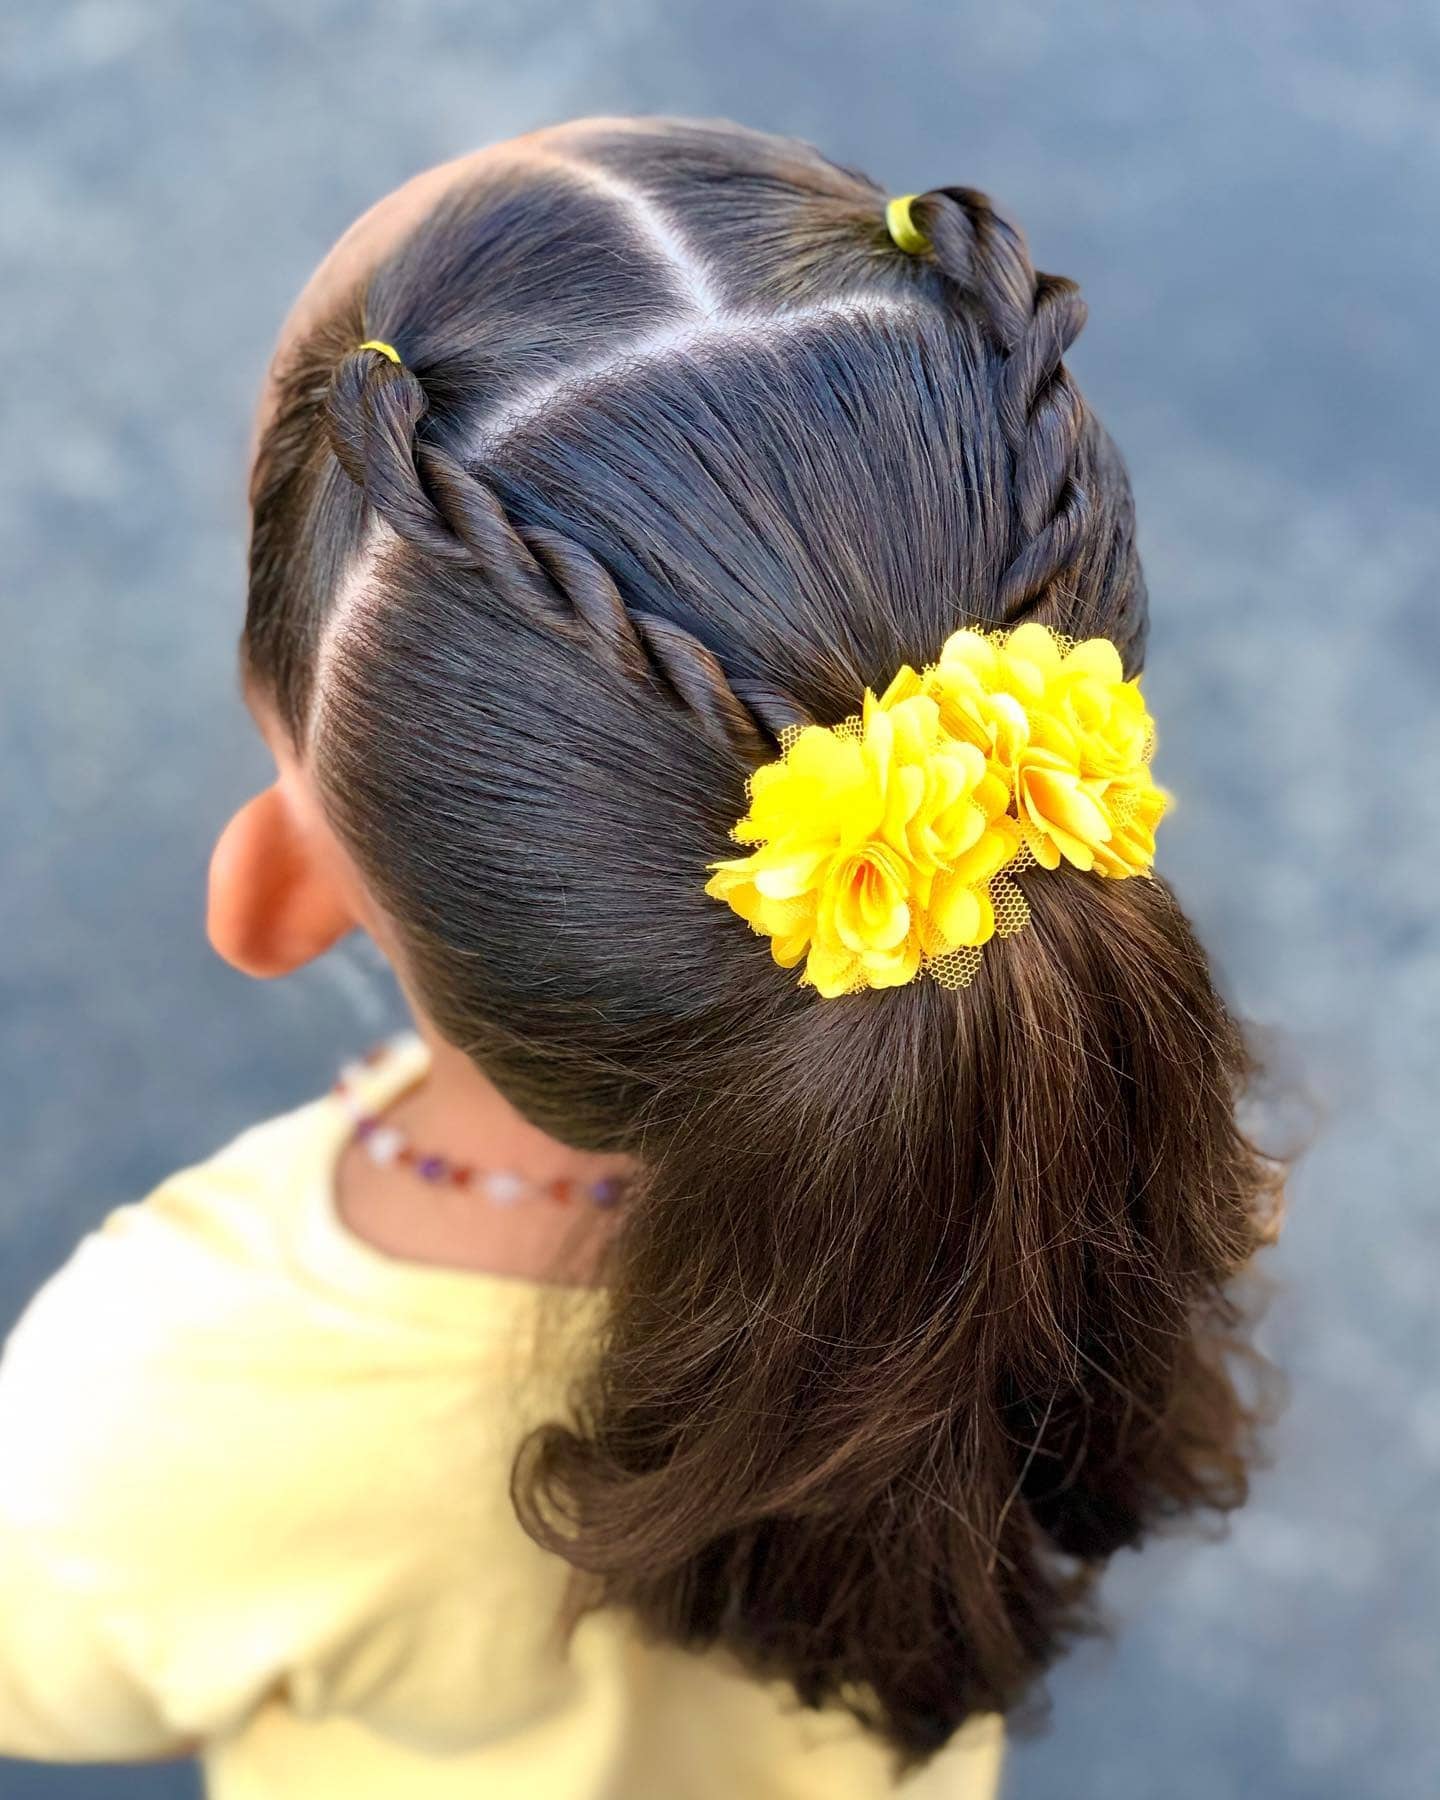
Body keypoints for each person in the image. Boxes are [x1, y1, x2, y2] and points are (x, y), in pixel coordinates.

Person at [0, 115, 1284, 1799]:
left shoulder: (170, 1392)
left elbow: (44, 1688)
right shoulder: (1105, 1120)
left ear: (279, 883)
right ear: (1057, 774)